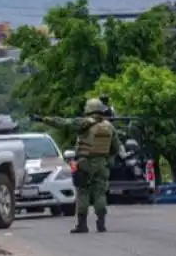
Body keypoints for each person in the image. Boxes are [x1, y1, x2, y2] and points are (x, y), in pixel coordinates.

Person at [41, 98, 121, 234]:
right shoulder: (109, 126)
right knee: (100, 193)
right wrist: (106, 159)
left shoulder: (84, 123)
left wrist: (46, 119)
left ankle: (82, 224)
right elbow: (116, 147)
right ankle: (101, 223)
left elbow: (64, 123)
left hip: (85, 162)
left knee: (83, 192)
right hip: (102, 164)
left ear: (88, 109)